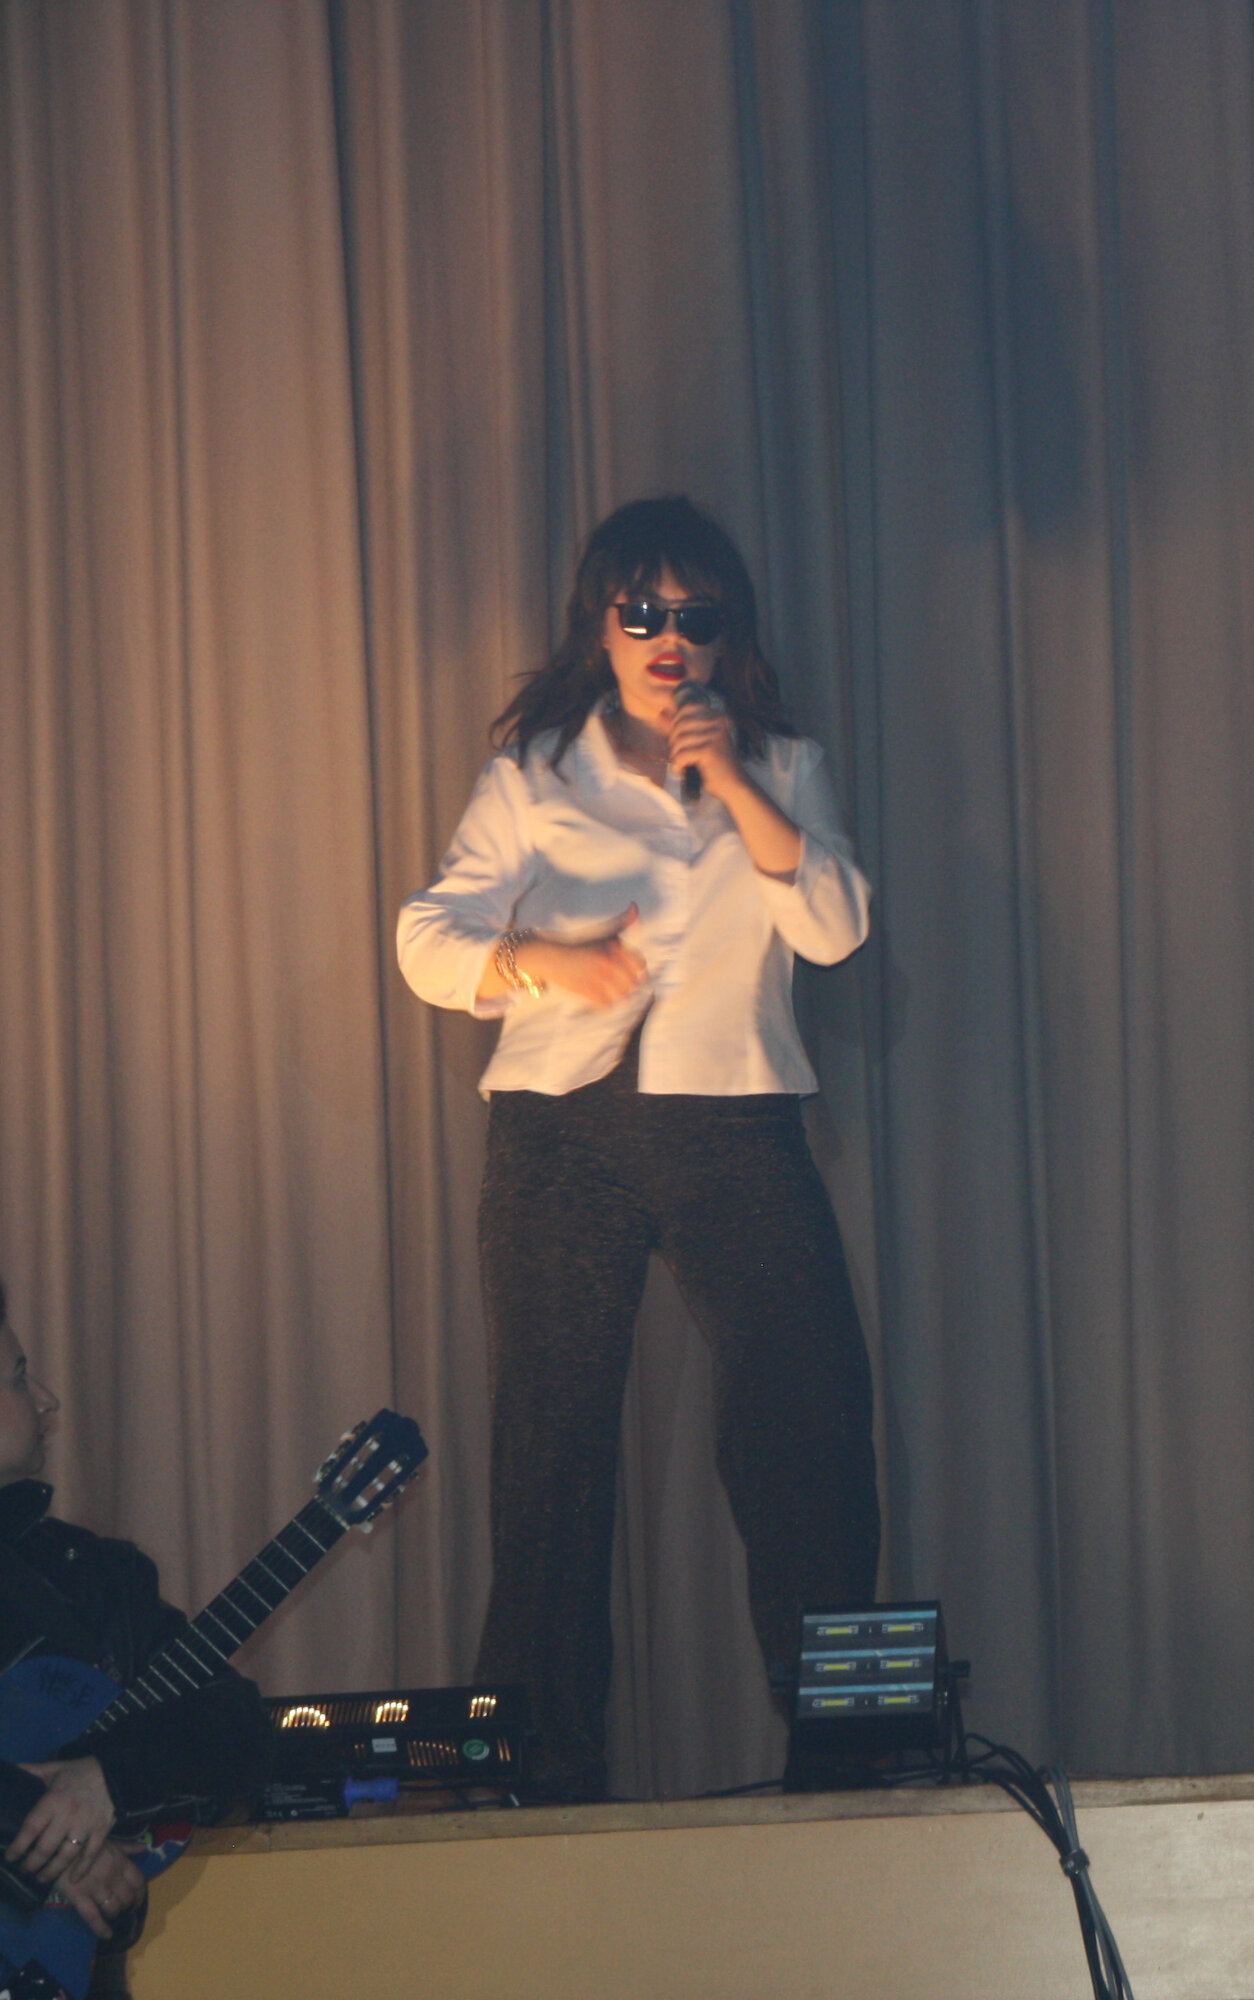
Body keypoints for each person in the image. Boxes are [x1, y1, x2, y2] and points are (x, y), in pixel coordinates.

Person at [397, 496, 879, 1798]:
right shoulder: (532, 776)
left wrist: (736, 783)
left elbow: (835, 926)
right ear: (599, 626)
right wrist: (543, 961)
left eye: (696, 614)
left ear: (729, 635)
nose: (671, 636)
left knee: (809, 1421)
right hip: (560, 1132)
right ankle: (536, 1760)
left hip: (735, 1124)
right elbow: (427, 936)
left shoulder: (783, 766)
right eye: (643, 611)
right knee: (549, 1447)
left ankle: (849, 1745)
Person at [0, 1281, 268, 2000]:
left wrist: (108, 1781)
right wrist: (52, 1837)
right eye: (19, 1377)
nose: (48, 1399)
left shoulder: (99, 1577)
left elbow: (235, 1725)